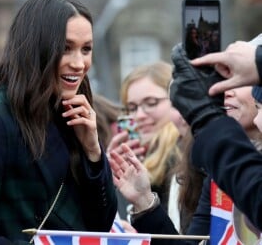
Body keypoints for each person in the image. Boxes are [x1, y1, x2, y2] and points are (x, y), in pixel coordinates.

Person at [0, 0, 117, 244]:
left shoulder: (75, 116)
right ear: (36, 49)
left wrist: (93, 152)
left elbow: (100, 227)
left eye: (86, 49)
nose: (79, 63)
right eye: (65, 49)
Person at [109, 85, 262, 244]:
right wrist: (144, 201)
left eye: (240, 82)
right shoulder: (218, 166)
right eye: (131, 107)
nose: (226, 92)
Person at [169, 42, 262, 232]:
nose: (224, 90)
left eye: (242, 79)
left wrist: (208, 119)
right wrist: (146, 206)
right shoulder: (211, 166)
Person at [107, 61, 181, 226]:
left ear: (177, 99)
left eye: (151, 103)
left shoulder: (184, 154)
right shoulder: (141, 156)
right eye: (132, 107)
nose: (139, 115)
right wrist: (108, 172)